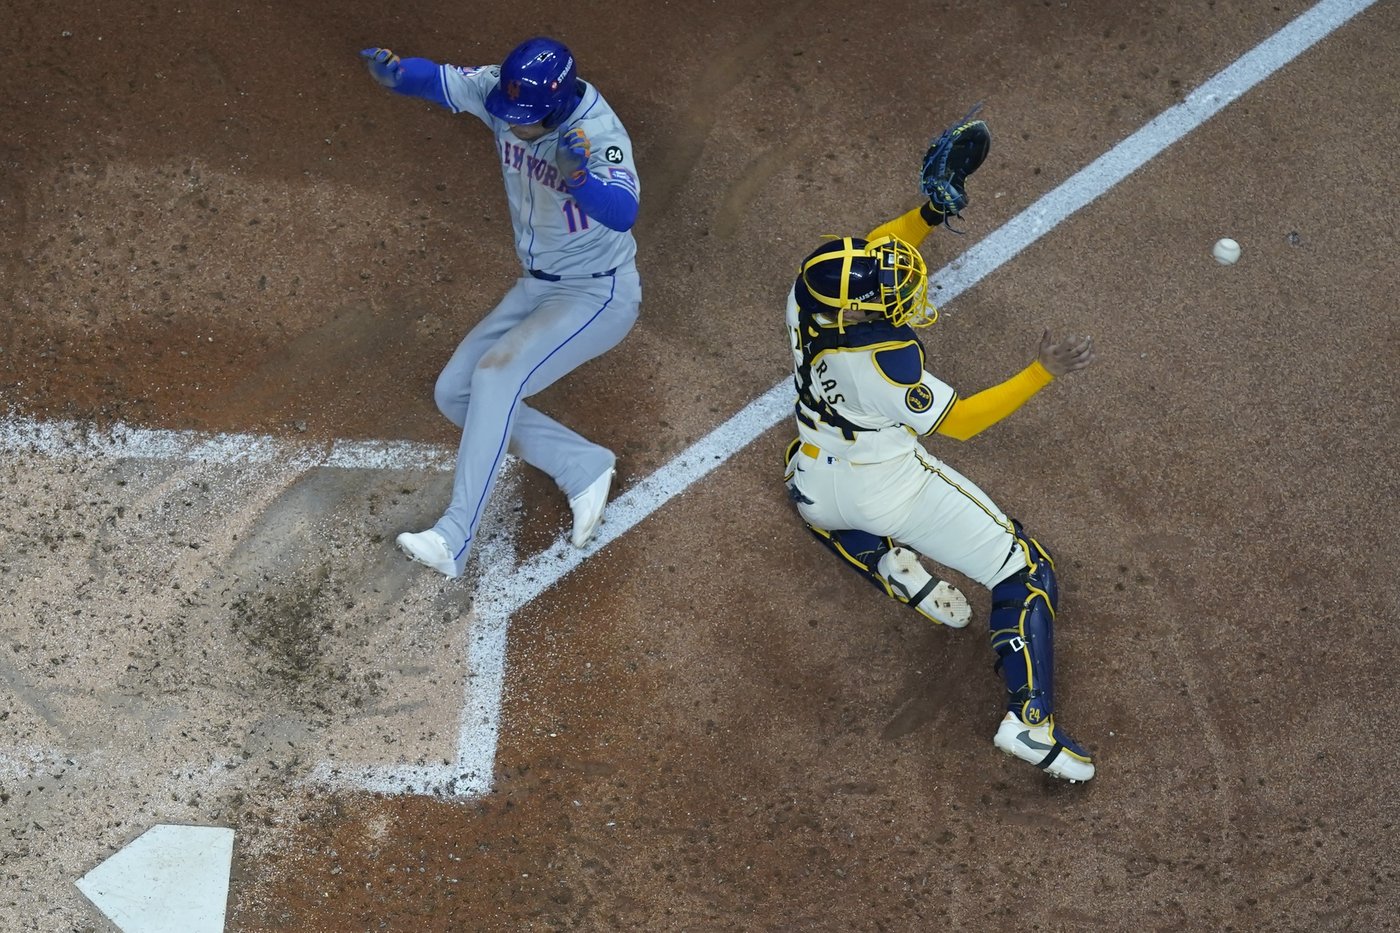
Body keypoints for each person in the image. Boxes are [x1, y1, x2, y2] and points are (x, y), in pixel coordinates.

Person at [781, 185, 1099, 782]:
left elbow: (878, 246)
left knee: (806, 471)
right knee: (1026, 569)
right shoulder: (887, 364)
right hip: (887, 494)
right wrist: (1041, 371)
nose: (901, 291)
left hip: (815, 483)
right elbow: (964, 422)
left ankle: (880, 561)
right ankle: (1030, 723)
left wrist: (929, 213)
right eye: (886, 295)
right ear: (861, 313)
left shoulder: (807, 296)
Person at [359, 37, 642, 578]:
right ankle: (580, 464)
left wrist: (581, 179)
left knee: (495, 378)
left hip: (597, 294)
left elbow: (623, 210)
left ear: (556, 107)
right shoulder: (505, 94)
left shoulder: (597, 134)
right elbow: (438, 80)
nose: (511, 124)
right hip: (537, 287)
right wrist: (399, 75)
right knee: (455, 393)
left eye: (525, 119)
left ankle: (454, 539)